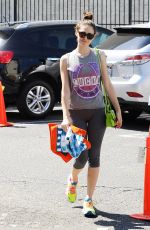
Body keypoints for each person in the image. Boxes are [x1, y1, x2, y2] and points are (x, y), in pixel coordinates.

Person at [60, 11, 122, 217]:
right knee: (81, 156)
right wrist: (65, 117)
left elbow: (107, 83)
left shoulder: (99, 56)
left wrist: (117, 109)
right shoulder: (66, 59)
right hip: (76, 112)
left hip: (97, 113)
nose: (85, 38)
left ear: (94, 37)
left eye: (89, 35)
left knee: (94, 157)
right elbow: (65, 90)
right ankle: (73, 179)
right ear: (76, 33)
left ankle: (88, 200)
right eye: (82, 34)